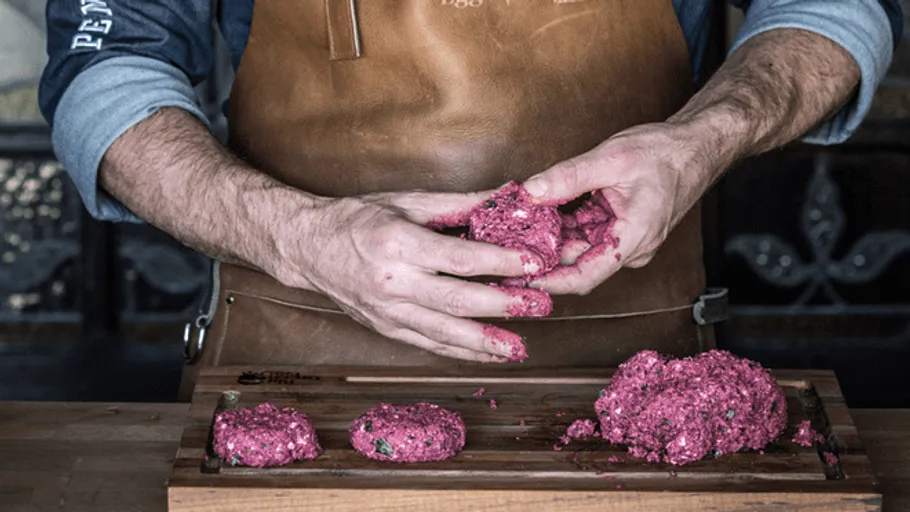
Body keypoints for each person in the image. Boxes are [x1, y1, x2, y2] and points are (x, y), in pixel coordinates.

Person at [40, 1, 902, 393]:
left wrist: (704, 136)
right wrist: (299, 235)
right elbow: (104, 75)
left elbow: (838, 10)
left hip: (635, 379)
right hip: (288, 364)